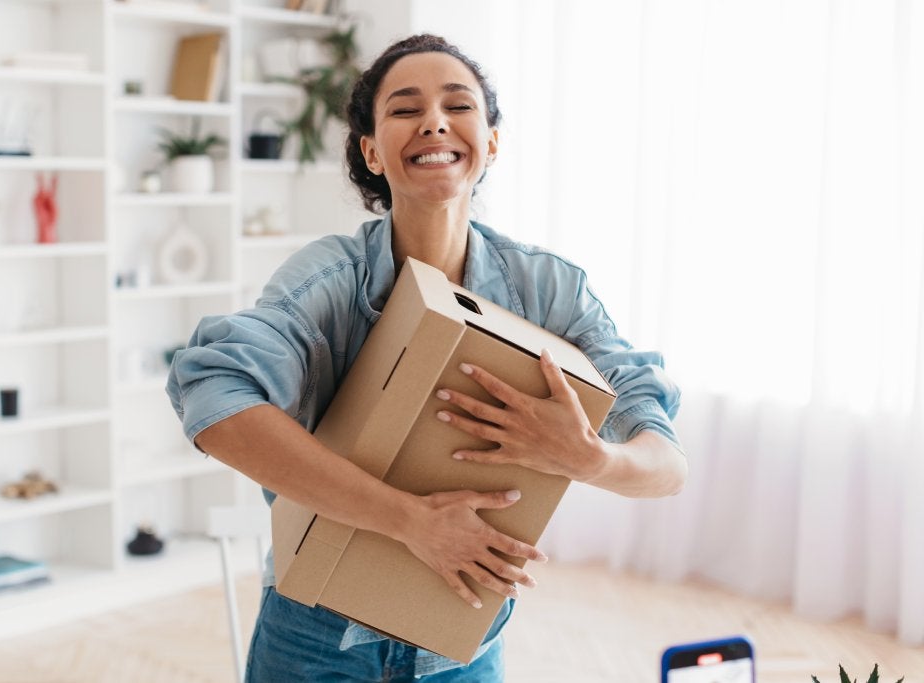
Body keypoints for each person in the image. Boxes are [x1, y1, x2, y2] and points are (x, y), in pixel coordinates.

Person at [167, 33, 686, 682]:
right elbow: (215, 401)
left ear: (491, 142)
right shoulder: (332, 278)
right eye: (405, 109)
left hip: (462, 631)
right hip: (314, 631)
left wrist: (592, 457)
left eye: (457, 105)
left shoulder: (546, 289)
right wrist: (411, 521)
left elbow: (665, 462)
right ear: (372, 151)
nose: (434, 120)